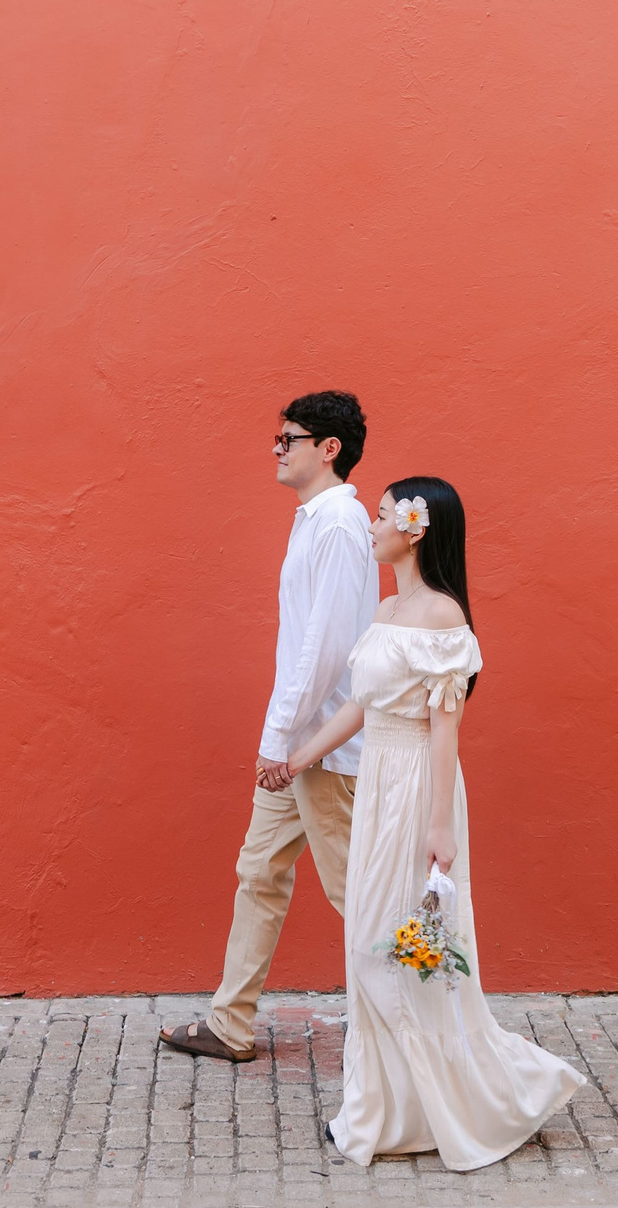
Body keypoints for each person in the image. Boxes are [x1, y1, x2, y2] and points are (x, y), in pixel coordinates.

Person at [282, 476, 585, 1169]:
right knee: (369, 940)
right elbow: (364, 704)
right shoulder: (388, 605)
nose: (373, 524)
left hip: (418, 784)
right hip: (379, 782)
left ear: (415, 528)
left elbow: (446, 730)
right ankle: (386, 1109)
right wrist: (303, 752)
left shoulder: (444, 615)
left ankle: (470, 1098)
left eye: (384, 513)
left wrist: (439, 827)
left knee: (400, 946)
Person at [160, 391, 378, 1064]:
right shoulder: (316, 520)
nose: (277, 447)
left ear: (328, 448)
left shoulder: (338, 525)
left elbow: (325, 647)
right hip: (298, 743)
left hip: (320, 749)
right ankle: (230, 1024)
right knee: (259, 870)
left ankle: (425, 1020)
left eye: (290, 437)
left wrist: (278, 741)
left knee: (358, 895)